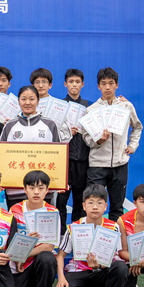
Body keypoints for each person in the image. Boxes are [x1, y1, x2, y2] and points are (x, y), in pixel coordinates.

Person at [54, 184, 128, 287]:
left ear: (105, 207)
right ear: (84, 206)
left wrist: (99, 266)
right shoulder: (74, 227)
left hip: (102, 272)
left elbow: (116, 257)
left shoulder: (113, 227)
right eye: (91, 203)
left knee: (121, 268)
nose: (95, 207)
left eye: (99, 203)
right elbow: (60, 256)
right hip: (79, 271)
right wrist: (61, 279)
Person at [81, 67, 143, 221]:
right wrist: (99, 140)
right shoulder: (91, 110)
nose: (107, 87)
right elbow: (86, 138)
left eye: (111, 83)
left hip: (120, 164)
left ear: (117, 85)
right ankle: (92, 235)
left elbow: (137, 127)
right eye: (103, 84)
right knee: (93, 206)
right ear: (98, 86)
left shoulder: (126, 106)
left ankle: (115, 236)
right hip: (97, 165)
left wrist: (132, 146)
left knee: (117, 207)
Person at [0, 86, 61, 210]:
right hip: (15, 189)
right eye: (23, 99)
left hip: (43, 190)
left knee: (42, 221)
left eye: (31, 99)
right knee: (17, 221)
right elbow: (0, 156)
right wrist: (1, 180)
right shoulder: (10, 126)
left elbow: (59, 156)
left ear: (38, 101)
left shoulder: (50, 125)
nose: (27, 103)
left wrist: (60, 181)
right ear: (18, 101)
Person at [9, 170, 59, 287]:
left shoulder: (52, 212)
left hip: (36, 259)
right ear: (25, 189)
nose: (36, 192)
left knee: (47, 258)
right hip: (20, 263)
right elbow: (11, 241)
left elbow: (49, 246)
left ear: (47, 190)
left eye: (41, 188)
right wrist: (20, 253)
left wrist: (25, 254)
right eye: (31, 188)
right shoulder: (15, 210)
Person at [55, 68, 90, 226]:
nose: (74, 85)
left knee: (80, 200)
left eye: (77, 82)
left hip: (83, 160)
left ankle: (77, 234)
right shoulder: (59, 107)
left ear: (82, 84)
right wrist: (67, 131)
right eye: (71, 82)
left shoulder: (89, 107)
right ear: (65, 84)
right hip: (64, 161)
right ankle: (61, 233)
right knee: (61, 201)